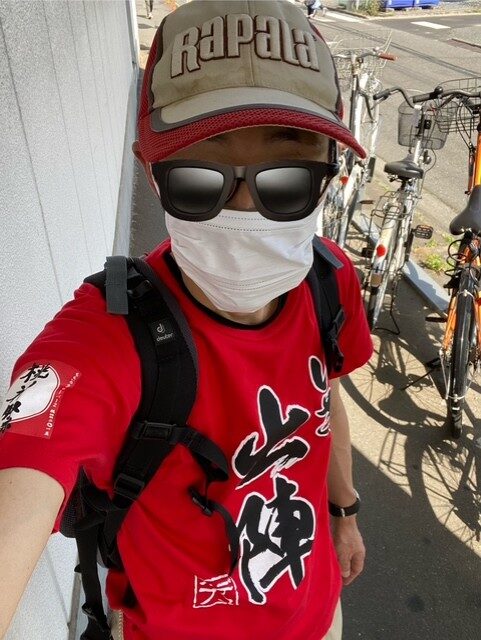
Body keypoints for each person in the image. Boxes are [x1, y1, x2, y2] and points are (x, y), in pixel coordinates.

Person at [0, 2, 372, 639]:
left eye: (287, 180)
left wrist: (345, 511)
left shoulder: (328, 280)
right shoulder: (107, 339)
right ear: (151, 172)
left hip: (316, 615)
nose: (247, 214)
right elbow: (21, 485)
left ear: (327, 175)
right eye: (200, 179)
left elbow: (323, 395)